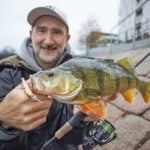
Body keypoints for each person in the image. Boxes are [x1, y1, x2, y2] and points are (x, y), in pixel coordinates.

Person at [0, 6, 118, 150]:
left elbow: (74, 139)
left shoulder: (81, 71)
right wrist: (3, 120)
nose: (48, 41)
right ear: (31, 34)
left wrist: (82, 120)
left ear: (67, 38)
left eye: (57, 32)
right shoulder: (6, 72)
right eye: (42, 30)